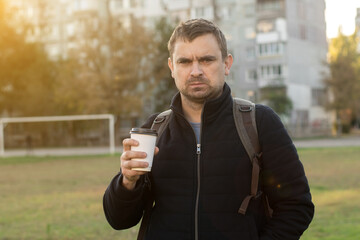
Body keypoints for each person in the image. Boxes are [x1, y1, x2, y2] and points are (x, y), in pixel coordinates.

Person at [103, 18, 314, 240]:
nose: (195, 71)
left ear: (227, 64)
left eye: (206, 60)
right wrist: (127, 182)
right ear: (172, 68)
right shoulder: (154, 130)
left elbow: (296, 207)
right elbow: (119, 220)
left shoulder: (259, 122)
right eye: (184, 62)